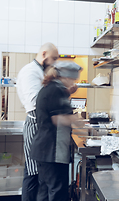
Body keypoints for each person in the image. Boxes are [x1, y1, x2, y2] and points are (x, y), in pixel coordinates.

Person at [30, 61, 85, 201]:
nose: (73, 83)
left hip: (45, 150)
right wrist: (81, 123)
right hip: (52, 151)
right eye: (73, 79)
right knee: (57, 191)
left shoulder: (52, 88)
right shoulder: (56, 90)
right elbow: (57, 119)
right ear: (65, 77)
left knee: (45, 191)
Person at [16, 43, 59, 201]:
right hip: (35, 127)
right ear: (44, 54)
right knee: (33, 174)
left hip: (41, 128)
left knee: (38, 174)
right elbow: (36, 103)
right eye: (53, 58)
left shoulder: (39, 71)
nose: (54, 62)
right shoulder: (30, 71)